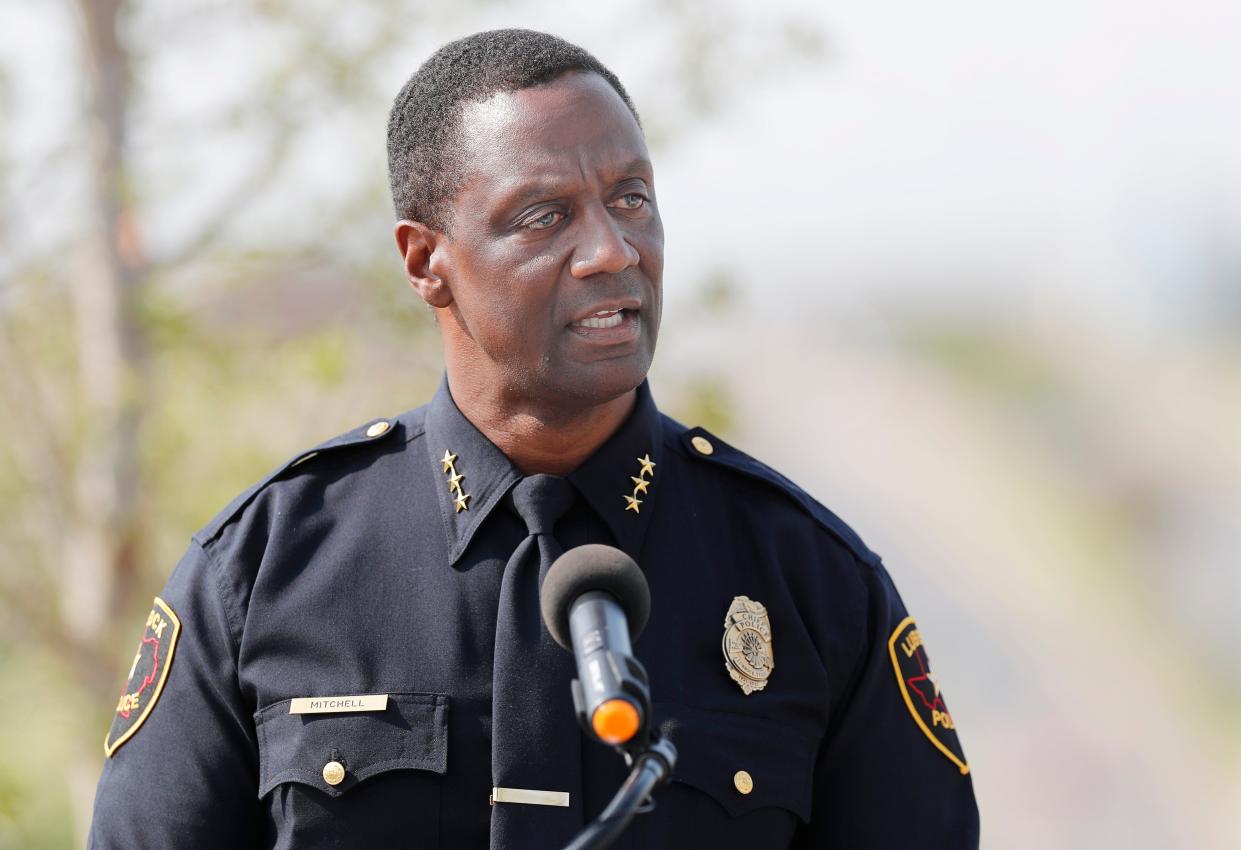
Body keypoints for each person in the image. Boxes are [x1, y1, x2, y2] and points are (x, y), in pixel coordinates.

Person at [88, 28, 979, 849]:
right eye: (544, 216)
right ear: (424, 262)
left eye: (630, 198)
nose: (611, 251)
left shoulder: (806, 577)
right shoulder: (268, 571)